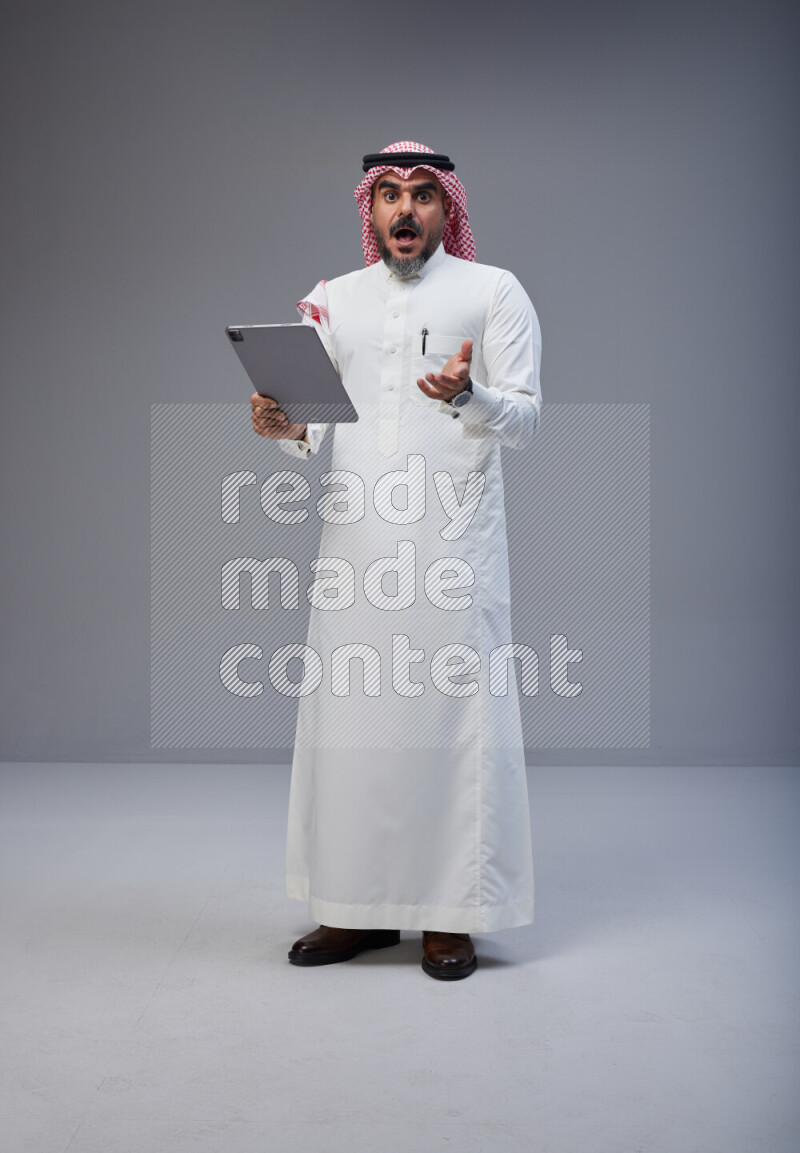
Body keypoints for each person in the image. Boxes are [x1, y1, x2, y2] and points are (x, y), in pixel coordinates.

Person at [250, 141, 543, 980]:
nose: (405, 210)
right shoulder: (333, 301)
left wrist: (470, 394)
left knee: (452, 728)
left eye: (422, 194)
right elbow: (316, 420)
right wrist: (287, 428)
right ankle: (354, 909)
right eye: (389, 195)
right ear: (369, 210)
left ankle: (451, 916)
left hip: (454, 548)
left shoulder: (493, 292)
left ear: (447, 209)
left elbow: (524, 419)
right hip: (356, 547)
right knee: (355, 730)